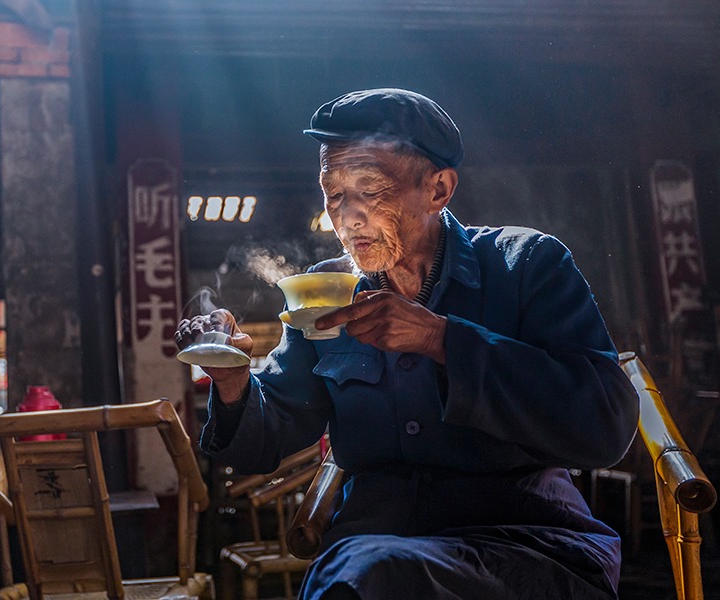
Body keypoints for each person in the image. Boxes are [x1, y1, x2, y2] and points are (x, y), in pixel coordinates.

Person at [176, 88, 639, 599]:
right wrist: (234, 381)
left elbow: (605, 427)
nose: (346, 216)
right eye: (332, 192)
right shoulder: (324, 292)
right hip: (376, 541)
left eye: (369, 188)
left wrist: (443, 339)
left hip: (527, 545)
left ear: (438, 189)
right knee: (366, 572)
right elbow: (267, 438)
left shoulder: (526, 265)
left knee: (370, 576)